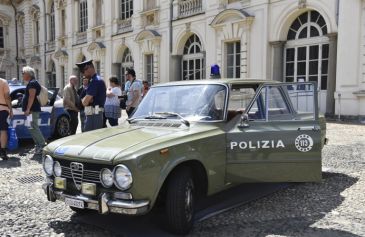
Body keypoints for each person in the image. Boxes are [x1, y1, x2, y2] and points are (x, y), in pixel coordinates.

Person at [22, 66, 46, 155]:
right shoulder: (31, 82)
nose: (22, 75)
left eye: (23, 73)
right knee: (32, 128)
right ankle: (37, 146)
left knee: (34, 127)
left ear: (28, 74)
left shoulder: (32, 83)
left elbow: (31, 97)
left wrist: (28, 109)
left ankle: (42, 145)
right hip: (31, 110)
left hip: (32, 110)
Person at [76, 60, 106, 132]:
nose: (83, 75)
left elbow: (85, 102)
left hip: (94, 116)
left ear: (88, 68)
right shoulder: (95, 80)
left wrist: (84, 100)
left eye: (83, 72)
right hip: (93, 114)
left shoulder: (95, 81)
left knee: (91, 138)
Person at [0, 78, 13, 160]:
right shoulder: (3, 82)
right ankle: (3, 152)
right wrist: (11, 109)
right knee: (3, 130)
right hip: (2, 109)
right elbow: (7, 97)